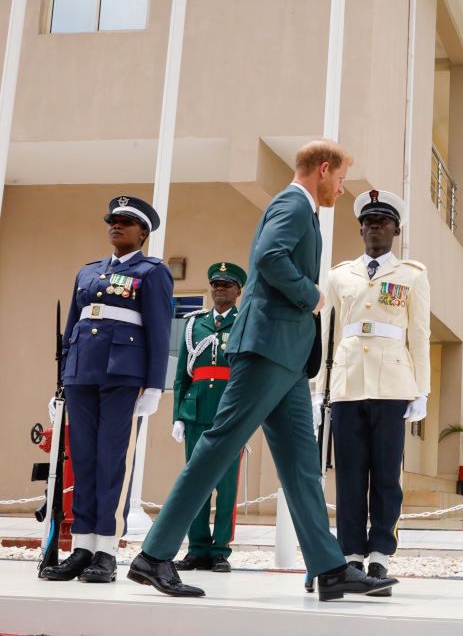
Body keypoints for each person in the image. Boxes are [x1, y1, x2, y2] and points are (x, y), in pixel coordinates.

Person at [127, 140, 396, 601]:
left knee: (301, 466)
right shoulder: (292, 204)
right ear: (324, 169)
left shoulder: (301, 208)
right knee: (217, 446)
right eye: (341, 177)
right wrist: (310, 295)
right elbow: (269, 258)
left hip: (287, 360)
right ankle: (153, 556)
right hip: (268, 349)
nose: (342, 187)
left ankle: (329, 568)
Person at [41, 196, 173, 584]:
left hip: (123, 376)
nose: (116, 226)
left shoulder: (151, 272)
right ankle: (82, 546)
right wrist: (62, 382)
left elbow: (160, 330)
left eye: (125, 222)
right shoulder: (88, 272)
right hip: (82, 373)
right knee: (82, 460)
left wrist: (153, 385)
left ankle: (106, 551)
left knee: (111, 461)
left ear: (143, 233)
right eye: (112, 220)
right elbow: (72, 329)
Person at [312, 189, 430, 595]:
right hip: (346, 384)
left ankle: (380, 556)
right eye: (369, 221)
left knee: (385, 477)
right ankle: (350, 556)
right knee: (348, 475)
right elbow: (326, 335)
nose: (375, 226)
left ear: (396, 229)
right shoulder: (339, 274)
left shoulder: (412, 274)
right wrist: (318, 389)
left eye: (383, 221)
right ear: (360, 227)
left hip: (393, 383)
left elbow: (420, 334)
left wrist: (422, 390)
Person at [170, 262, 247, 573]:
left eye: (227, 285)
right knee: (196, 481)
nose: (219, 289)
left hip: (229, 412)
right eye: (215, 284)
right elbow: (181, 376)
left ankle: (220, 550)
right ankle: (197, 547)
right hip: (197, 410)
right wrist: (178, 415)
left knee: (226, 485)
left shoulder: (245, 322)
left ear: (238, 292)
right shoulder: (194, 325)